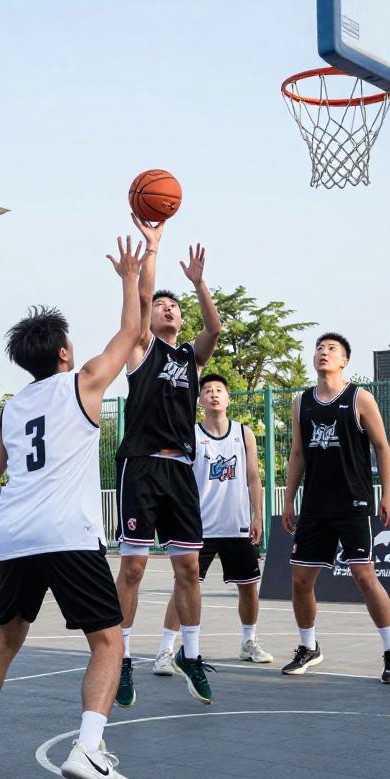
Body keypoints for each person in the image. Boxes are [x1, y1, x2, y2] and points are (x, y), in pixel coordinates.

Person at [0, 235, 143, 779]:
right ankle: (89, 749)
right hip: (67, 533)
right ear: (63, 354)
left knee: (5, 639)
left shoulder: (11, 408)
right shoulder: (83, 384)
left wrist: (11, 509)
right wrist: (131, 276)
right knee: (109, 643)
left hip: (18, 535)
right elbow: (130, 332)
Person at [113, 217, 222, 707]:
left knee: (189, 568)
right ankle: (122, 658)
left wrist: (199, 283)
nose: (168, 308)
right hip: (141, 465)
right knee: (134, 568)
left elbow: (214, 329)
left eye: (173, 306)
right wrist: (153, 247)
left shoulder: (190, 360)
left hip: (180, 470)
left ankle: (191, 656)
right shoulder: (141, 348)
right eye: (162, 305)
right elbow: (142, 297)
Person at [280, 333, 390, 683]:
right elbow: (298, 453)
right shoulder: (301, 402)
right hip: (315, 505)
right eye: (319, 348)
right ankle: (309, 647)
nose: (323, 352)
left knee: (364, 576)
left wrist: (387, 494)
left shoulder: (360, 397)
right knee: (300, 579)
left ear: (344, 361)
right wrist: (289, 498)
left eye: (331, 349)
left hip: (353, 502)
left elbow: (382, 447)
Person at [154, 373, 271, 674]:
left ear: (228, 399)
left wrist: (257, 515)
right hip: (199, 526)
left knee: (249, 587)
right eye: (207, 390)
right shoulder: (191, 435)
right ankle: (165, 650)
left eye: (219, 390)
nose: (214, 394)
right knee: (183, 587)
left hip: (236, 524)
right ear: (200, 400)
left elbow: (253, 477)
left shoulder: (244, 434)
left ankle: (249, 642)